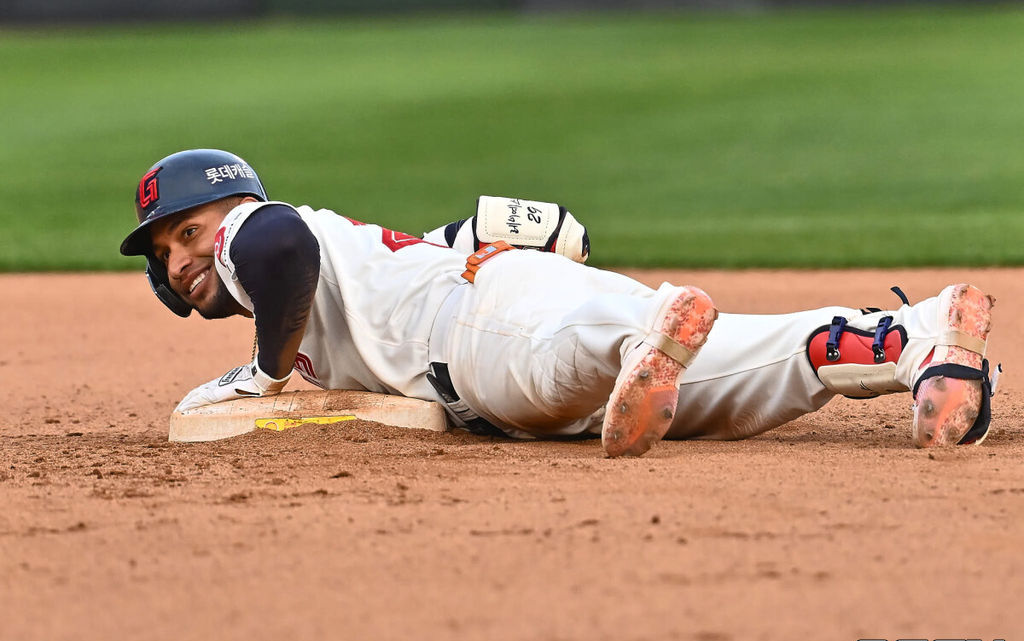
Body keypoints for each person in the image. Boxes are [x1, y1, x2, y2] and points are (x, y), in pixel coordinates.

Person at [121, 149, 999, 456]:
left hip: (479, 331)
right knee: (757, 370)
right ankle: (922, 343)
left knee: (551, 360)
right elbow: (524, 233)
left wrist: (267, 374)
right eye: (166, 252)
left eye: (186, 232)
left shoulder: (259, 232)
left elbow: (276, 246)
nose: (184, 258)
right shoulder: (360, 256)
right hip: (506, 298)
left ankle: (650, 332)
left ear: (227, 212)